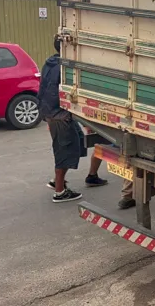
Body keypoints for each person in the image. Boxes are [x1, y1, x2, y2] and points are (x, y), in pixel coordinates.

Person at [38, 37, 108, 202]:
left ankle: (58, 181)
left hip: (52, 113)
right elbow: (68, 95)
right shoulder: (64, 68)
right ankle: (60, 191)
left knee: (76, 142)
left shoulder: (52, 62)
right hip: (59, 115)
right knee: (65, 149)